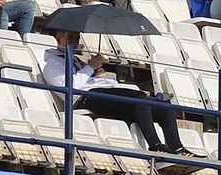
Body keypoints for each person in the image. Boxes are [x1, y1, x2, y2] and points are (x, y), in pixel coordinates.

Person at [43, 29, 191, 160]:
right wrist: (90, 67)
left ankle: (177, 148)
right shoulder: (53, 64)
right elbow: (70, 87)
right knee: (139, 98)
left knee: (163, 106)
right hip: (85, 98)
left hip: (101, 93)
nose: (74, 42)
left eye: (77, 38)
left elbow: (88, 80)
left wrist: (99, 74)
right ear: (58, 40)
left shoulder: (76, 60)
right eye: (70, 37)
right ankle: (156, 146)